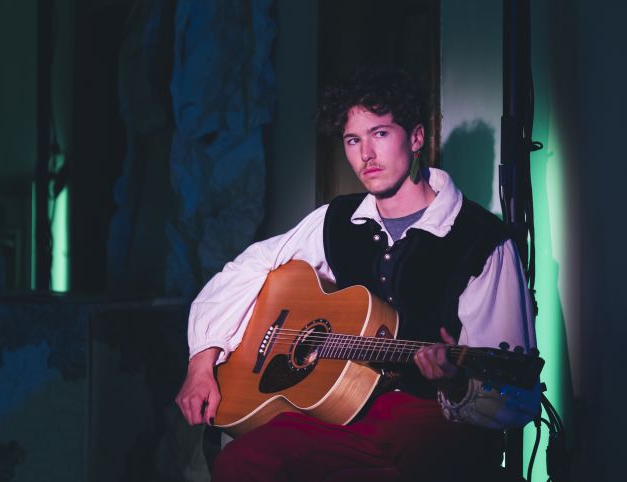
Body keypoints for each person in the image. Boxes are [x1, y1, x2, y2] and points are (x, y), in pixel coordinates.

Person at [175, 67, 541, 481]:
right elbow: (246, 268)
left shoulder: (482, 242)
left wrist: (456, 384)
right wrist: (201, 362)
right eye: (353, 140)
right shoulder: (337, 219)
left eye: (380, 133)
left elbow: (515, 397)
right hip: (345, 417)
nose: (366, 154)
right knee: (243, 462)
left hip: (434, 421)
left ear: (416, 138)